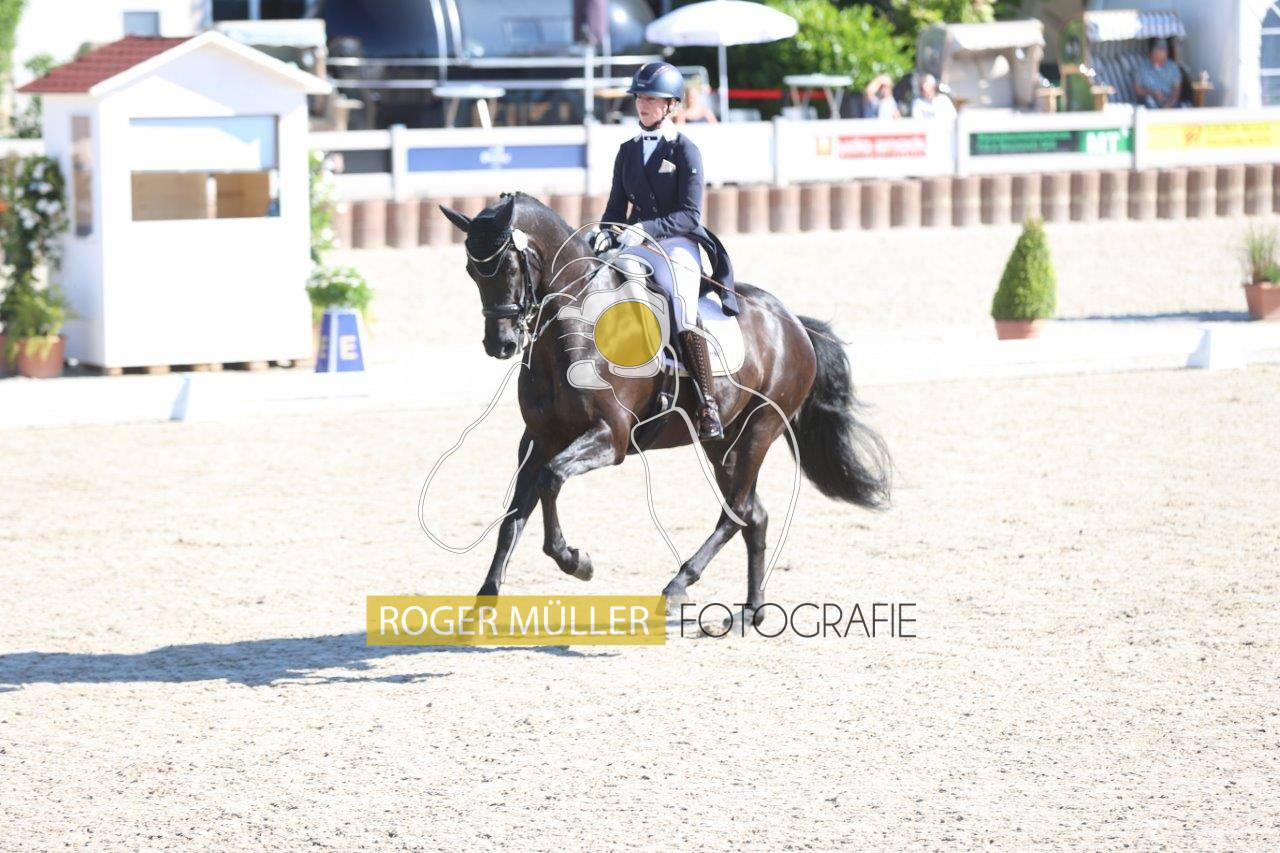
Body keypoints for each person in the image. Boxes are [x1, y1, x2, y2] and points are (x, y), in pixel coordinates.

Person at [587, 61, 740, 440]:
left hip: (676, 244)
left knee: (682, 307)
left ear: (671, 105)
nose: (643, 104)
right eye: (640, 97)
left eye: (652, 99)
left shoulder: (686, 150)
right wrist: (603, 233)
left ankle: (707, 403)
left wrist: (645, 229)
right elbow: (615, 209)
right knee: (597, 283)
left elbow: (690, 215)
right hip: (636, 243)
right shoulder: (627, 151)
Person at [1134, 38, 1182, 109]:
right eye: (1159, 49)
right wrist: (1153, 93)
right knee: (1148, 101)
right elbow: (1137, 89)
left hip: (1168, 101)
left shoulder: (1173, 67)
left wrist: (1168, 105)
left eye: (1164, 50)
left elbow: (1176, 90)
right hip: (1149, 101)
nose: (1163, 53)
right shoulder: (1142, 67)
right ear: (1152, 52)